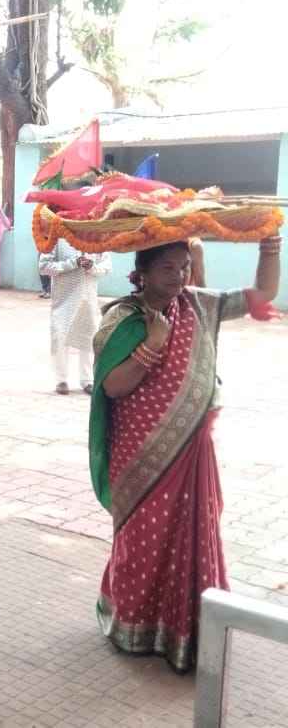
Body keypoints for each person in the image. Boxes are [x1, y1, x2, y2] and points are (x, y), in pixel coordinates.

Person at [90, 235, 281, 672]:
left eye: (184, 267)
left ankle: (188, 628)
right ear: (141, 273)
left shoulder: (199, 305)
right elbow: (113, 387)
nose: (178, 277)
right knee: (143, 539)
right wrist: (152, 344)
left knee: (192, 536)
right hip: (142, 458)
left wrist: (269, 244)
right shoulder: (122, 318)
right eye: (167, 268)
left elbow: (262, 294)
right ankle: (134, 627)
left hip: (193, 452)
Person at [39, 239, 111, 395]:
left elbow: (106, 267)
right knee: (60, 336)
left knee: (89, 337)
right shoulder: (56, 239)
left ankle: (87, 380)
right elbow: (43, 267)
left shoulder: (97, 238)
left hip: (88, 299)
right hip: (64, 300)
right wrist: (73, 263)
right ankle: (61, 380)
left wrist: (92, 267)